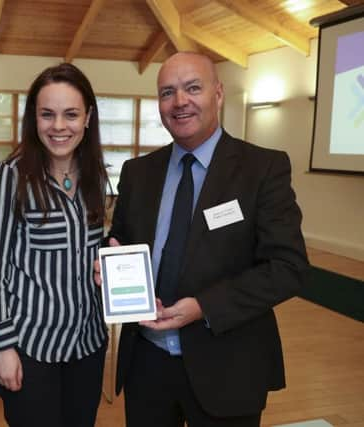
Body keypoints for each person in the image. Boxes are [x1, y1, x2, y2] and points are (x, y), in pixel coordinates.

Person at [95, 52, 309, 426]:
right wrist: (109, 263)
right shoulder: (138, 172)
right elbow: (122, 240)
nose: (180, 102)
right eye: (167, 92)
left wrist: (204, 307)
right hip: (147, 364)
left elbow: (287, 267)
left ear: (219, 93)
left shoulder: (263, 169)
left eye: (193, 88)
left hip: (227, 364)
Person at [0, 63, 109, 427]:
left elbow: (96, 251)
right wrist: (2, 348)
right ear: (33, 118)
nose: (59, 126)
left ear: (88, 117)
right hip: (31, 349)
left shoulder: (94, 175)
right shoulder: (9, 176)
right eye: (47, 114)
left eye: (71, 114)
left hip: (88, 343)